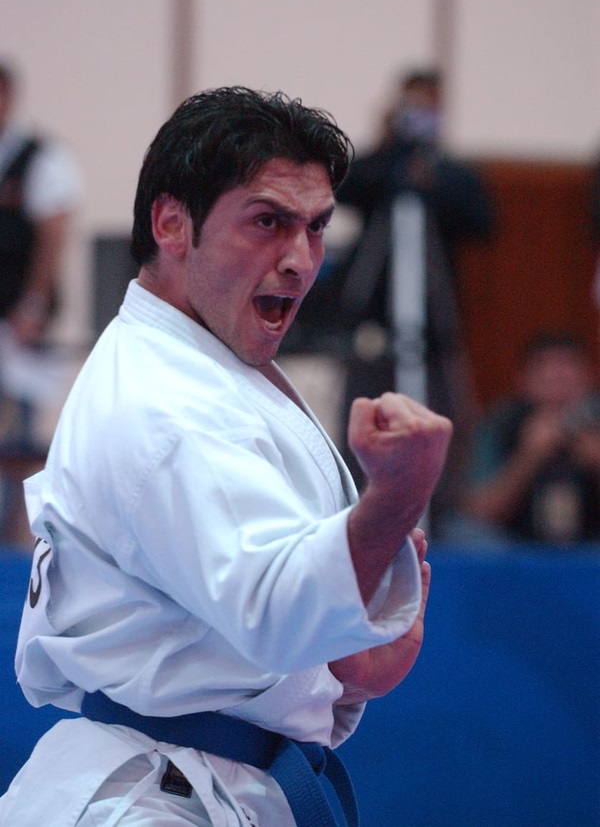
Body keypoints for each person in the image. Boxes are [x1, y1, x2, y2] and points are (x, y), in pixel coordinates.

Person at [0, 86, 452, 826]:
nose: (301, 259)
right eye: (268, 221)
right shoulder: (162, 404)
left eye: (316, 227)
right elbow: (273, 608)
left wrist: (344, 672)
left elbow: (232, 625)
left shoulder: (207, 365)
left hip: (202, 780)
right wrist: (396, 497)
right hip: (150, 801)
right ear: (172, 223)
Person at [318, 68, 495, 527]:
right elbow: (345, 189)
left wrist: (429, 179)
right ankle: (355, 516)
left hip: (435, 326)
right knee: (363, 416)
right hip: (373, 326)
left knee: (440, 417)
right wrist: (390, 148)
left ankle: (441, 517)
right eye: (412, 109)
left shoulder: (450, 174)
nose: (420, 118)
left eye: (428, 109)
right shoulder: (381, 167)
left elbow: (483, 221)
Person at [0, 61, 82, 545]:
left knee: (19, 441)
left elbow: (54, 234)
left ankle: (16, 544)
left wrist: (33, 303)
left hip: (18, 321)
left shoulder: (41, 159)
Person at [459, 331, 600, 544]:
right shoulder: (502, 423)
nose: (557, 378)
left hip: (591, 544)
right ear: (524, 380)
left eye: (566, 368)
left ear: (588, 376)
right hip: (517, 544)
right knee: (466, 533)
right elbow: (478, 511)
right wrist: (529, 457)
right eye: (545, 369)